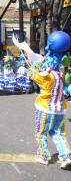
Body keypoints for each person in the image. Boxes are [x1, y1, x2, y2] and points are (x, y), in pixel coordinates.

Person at [28, 31, 71, 169]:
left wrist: (38, 62)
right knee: (59, 134)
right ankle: (66, 157)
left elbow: (31, 73)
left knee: (41, 133)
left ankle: (44, 156)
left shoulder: (46, 76)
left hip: (45, 109)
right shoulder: (61, 75)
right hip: (60, 109)